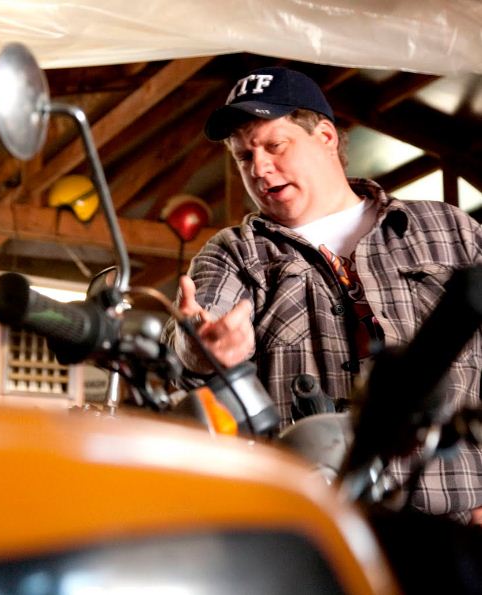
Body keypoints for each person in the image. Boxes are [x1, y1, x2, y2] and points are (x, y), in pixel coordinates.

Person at [166, 66, 482, 522]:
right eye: (243, 156)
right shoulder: (235, 253)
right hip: (318, 529)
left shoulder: (448, 229)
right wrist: (201, 351)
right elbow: (190, 341)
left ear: (327, 137)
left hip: (459, 523)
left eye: (275, 146)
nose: (259, 168)